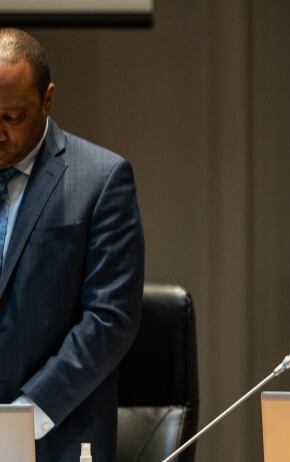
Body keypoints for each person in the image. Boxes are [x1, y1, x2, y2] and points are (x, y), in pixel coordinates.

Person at [0, 29, 144, 461]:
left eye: (13, 117)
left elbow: (109, 320)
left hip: (56, 436)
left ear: (47, 100)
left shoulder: (101, 179)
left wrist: (25, 417)